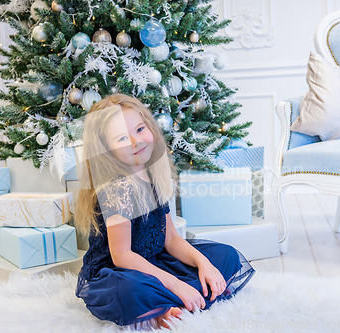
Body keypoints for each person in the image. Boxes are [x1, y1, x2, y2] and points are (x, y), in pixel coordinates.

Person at [74, 94, 255, 330]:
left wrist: (203, 264)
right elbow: (123, 257)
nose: (135, 141)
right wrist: (175, 284)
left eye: (139, 129)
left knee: (225, 256)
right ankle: (166, 305)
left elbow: (170, 239)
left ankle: (174, 299)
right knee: (129, 291)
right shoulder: (117, 188)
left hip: (155, 261)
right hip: (120, 271)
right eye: (121, 138)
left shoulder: (151, 174)